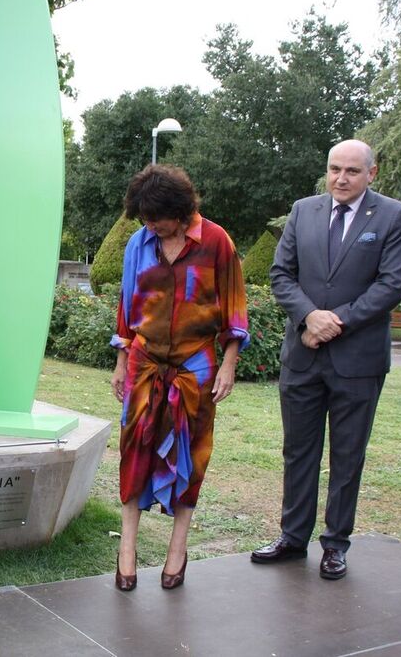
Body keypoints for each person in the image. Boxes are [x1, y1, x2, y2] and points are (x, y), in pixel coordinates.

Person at [252, 139, 401, 580]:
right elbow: (281, 274)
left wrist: (335, 321)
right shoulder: (303, 211)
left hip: (357, 361)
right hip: (303, 356)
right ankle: (292, 536)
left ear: (371, 174)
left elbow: (392, 284)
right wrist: (309, 316)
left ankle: (335, 544)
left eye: (352, 171)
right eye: (334, 169)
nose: (341, 178)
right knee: (298, 451)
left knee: (347, 456)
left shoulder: (393, 216)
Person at [110, 164, 249, 591]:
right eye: (145, 219)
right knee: (134, 452)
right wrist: (120, 360)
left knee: (192, 457)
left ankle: (177, 551)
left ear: (182, 209)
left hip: (196, 367)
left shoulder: (216, 243)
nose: (151, 225)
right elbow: (127, 304)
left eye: (157, 218)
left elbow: (234, 308)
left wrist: (228, 363)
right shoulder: (139, 243)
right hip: (144, 362)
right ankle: (127, 552)